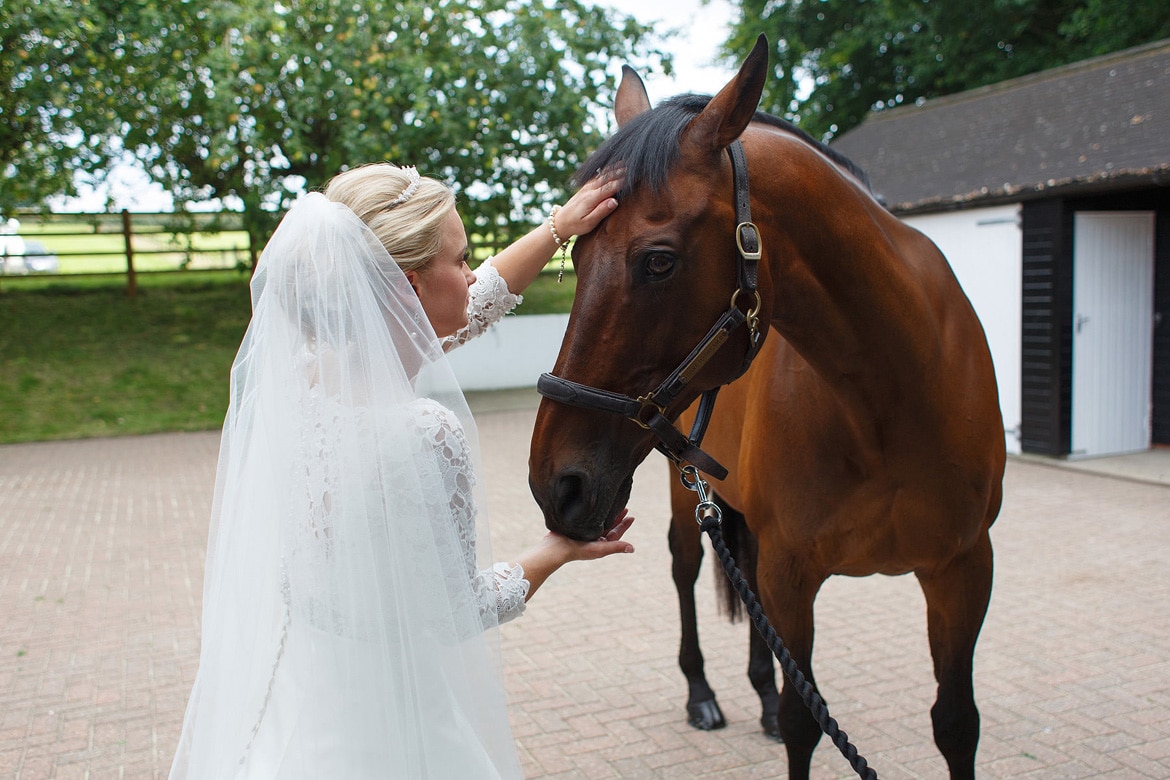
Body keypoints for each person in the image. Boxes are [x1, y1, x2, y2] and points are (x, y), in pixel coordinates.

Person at [169, 163, 633, 779]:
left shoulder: (301, 377)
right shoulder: (422, 434)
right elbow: (455, 610)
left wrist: (557, 228)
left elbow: (472, 301)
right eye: (461, 258)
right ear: (408, 287)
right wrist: (558, 549)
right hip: (394, 726)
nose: (473, 274)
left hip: (300, 702)